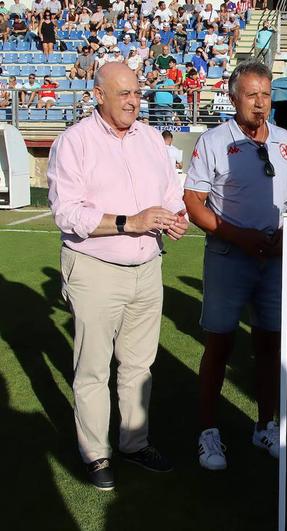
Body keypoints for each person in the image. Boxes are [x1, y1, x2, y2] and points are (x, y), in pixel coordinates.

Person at [47, 62, 188, 491]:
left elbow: (168, 191)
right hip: (94, 268)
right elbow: (66, 213)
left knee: (138, 364)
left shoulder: (149, 138)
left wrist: (174, 216)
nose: (132, 101)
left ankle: (133, 441)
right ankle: (96, 454)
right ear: (98, 95)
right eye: (123, 93)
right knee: (92, 368)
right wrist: (131, 221)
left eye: (137, 93)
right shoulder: (74, 142)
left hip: (147, 266)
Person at [184, 61, 287, 470]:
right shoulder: (214, 140)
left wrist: (284, 235)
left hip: (274, 259)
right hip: (229, 257)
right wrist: (239, 235)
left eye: (266, 95)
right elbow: (193, 204)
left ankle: (264, 426)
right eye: (251, 95)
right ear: (234, 97)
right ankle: (207, 432)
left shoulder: (286, 140)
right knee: (219, 344)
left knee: (270, 347)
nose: (260, 103)